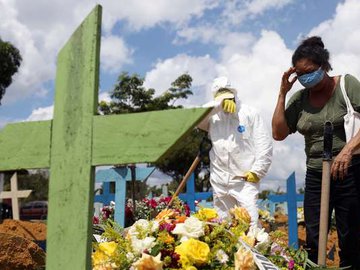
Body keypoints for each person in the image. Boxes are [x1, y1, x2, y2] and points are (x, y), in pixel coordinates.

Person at [272, 36, 360, 268]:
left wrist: (348, 150)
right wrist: (282, 93)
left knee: (350, 236)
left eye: (310, 71)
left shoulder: (346, 85)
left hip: (349, 171)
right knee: (313, 237)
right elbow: (278, 133)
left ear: (324, 66)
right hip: (316, 174)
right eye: (300, 75)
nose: (305, 78)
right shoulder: (300, 99)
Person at [198, 76, 273, 227]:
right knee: (224, 227)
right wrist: (218, 105)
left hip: (243, 180)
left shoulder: (250, 113)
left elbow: (264, 145)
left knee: (250, 223)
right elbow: (196, 117)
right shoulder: (212, 118)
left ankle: (255, 250)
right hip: (219, 181)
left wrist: (257, 171)